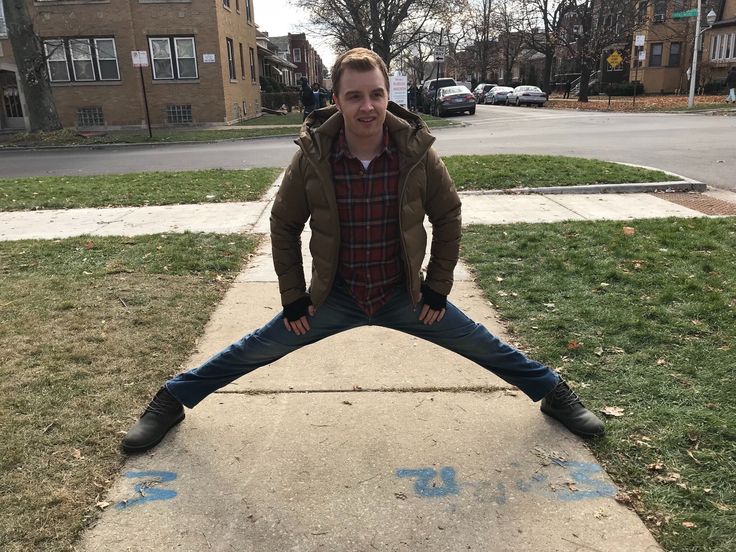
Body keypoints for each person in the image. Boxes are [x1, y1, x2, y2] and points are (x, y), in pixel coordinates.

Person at [121, 48, 605, 454]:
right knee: (257, 349)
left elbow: (449, 216)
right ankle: (171, 400)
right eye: (354, 96)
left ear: (388, 95)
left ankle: (553, 393)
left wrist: (436, 288)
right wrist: (294, 297)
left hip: (405, 295)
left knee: (480, 343)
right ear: (337, 101)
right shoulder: (313, 156)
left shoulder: (416, 152)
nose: (367, 106)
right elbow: (284, 224)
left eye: (375, 94)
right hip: (336, 296)